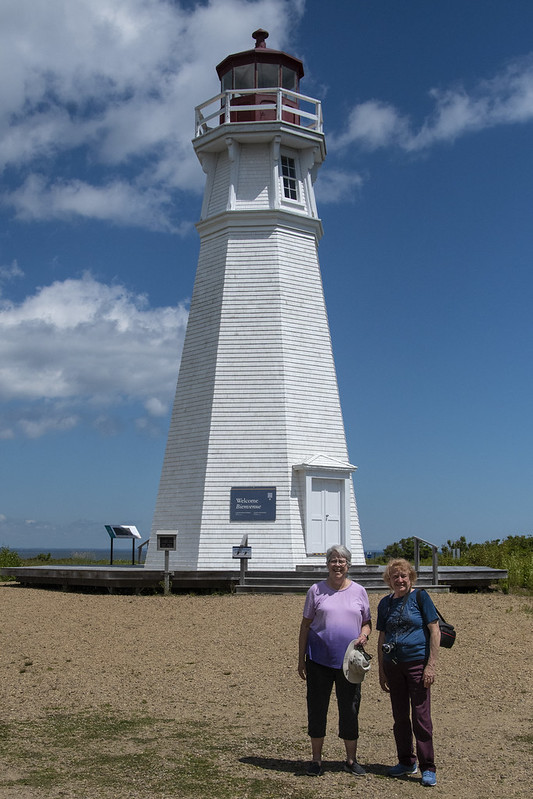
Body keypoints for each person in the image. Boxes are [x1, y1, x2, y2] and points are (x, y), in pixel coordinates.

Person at [298, 545, 371, 777]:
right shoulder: (316, 591)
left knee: (349, 708)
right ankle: (316, 760)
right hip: (319, 660)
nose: (337, 565)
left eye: (342, 561)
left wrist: (365, 635)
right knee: (317, 708)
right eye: (333, 560)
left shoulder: (359, 591)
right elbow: (306, 625)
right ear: (327, 563)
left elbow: (367, 622)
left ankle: (350, 760)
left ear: (348, 564)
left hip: (349, 662)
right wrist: (301, 658)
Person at [376, 558, 440, 788]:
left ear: (410, 577)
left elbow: (434, 630)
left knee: (421, 717)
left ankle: (428, 767)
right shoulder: (384, 604)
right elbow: (381, 636)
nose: (400, 580)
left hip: (417, 664)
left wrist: (430, 664)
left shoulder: (421, 598)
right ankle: (406, 761)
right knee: (400, 717)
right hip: (394, 665)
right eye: (395, 577)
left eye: (403, 576)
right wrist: (382, 670)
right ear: (389, 580)